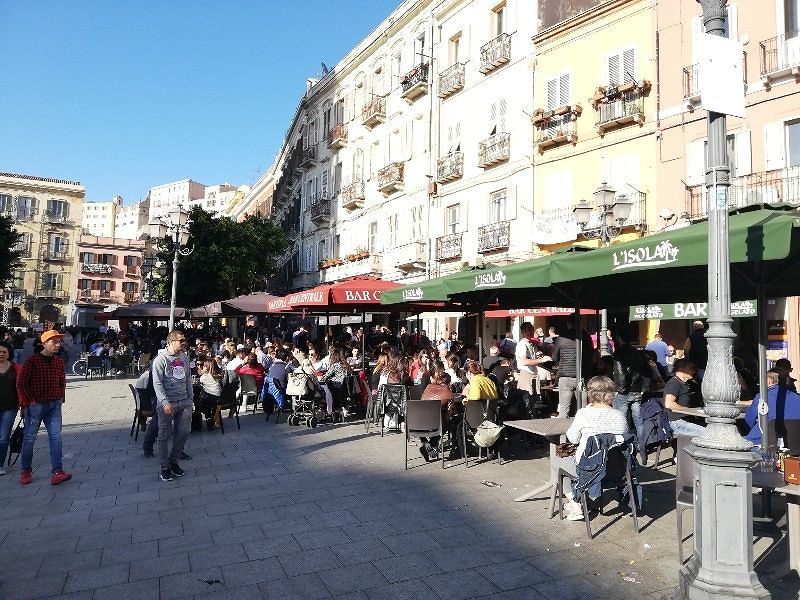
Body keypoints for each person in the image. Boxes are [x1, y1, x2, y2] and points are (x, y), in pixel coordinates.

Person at [563, 376, 628, 521]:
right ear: (611, 394)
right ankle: (587, 498)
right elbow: (624, 439)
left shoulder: (583, 413)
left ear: (590, 394)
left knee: (558, 464)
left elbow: (573, 438)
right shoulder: (619, 416)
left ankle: (575, 503)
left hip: (590, 468)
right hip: (616, 470)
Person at [17, 330, 71, 486]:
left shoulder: (59, 361)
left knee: (56, 438)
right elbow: (22, 383)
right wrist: (31, 401)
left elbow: (62, 380)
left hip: (54, 405)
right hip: (36, 406)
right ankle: (26, 470)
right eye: (54, 342)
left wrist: (61, 397)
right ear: (44, 343)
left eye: (59, 342)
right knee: (29, 439)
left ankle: (57, 472)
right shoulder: (32, 360)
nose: (58, 345)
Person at [152, 331, 193, 482]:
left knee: (184, 432)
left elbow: (188, 378)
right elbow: (157, 382)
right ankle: (165, 468)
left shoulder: (184, 357)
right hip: (168, 403)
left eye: (184, 340)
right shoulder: (161, 359)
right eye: (180, 340)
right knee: (164, 435)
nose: (183, 343)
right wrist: (164, 402)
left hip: (184, 401)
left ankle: (173, 461)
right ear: (171, 341)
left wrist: (190, 399)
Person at [612, 333, 651, 444]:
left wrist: (621, 390)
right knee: (638, 421)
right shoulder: (638, 353)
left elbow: (621, 374)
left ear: (619, 338)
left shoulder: (618, 353)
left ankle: (626, 446)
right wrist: (644, 388)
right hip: (637, 390)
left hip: (624, 391)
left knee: (622, 420)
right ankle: (642, 445)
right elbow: (647, 371)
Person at [552, 321, 591, 417]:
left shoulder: (562, 337)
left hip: (565, 376)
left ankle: (562, 431)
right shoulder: (584, 335)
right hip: (581, 376)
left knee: (564, 409)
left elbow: (554, 357)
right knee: (583, 410)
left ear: (568, 324)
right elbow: (591, 353)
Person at [516, 322, 552, 416]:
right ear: (523, 332)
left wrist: (540, 357)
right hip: (526, 375)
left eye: (532, 329)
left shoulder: (532, 344)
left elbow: (534, 359)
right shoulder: (522, 345)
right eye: (529, 330)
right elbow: (524, 361)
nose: (532, 331)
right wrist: (541, 360)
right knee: (527, 403)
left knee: (534, 402)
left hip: (534, 375)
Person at [662, 359, 706, 437]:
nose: (693, 371)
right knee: (709, 433)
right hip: (677, 422)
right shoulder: (674, 384)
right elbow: (669, 404)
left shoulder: (688, 384)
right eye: (690, 369)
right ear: (682, 370)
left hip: (688, 419)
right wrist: (686, 409)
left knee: (713, 429)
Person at [418, 365, 453, 462]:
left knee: (432, 420)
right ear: (448, 383)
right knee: (446, 423)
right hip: (435, 424)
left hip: (417, 424)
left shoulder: (428, 387)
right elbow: (448, 414)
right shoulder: (449, 393)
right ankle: (432, 444)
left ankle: (425, 442)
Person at [0, 341, 20, 476]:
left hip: (10, 408)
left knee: (3, 437)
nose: (1, 354)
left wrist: (24, 406)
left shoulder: (16, 368)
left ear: (9, 354)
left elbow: (22, 387)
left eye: (4, 352)